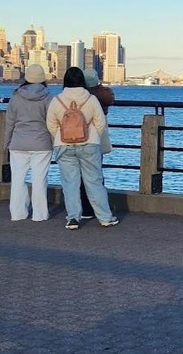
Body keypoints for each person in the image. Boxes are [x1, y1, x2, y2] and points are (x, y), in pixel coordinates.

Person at [46, 66, 119, 230]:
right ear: (82, 81)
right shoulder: (91, 99)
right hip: (89, 145)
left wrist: (61, 135)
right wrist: (91, 136)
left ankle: (73, 218)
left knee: (70, 183)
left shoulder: (57, 100)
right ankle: (105, 218)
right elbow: (100, 123)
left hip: (63, 145)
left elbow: (51, 125)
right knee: (94, 182)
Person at [3, 64, 53, 221]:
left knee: (18, 179)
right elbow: (51, 123)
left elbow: (9, 123)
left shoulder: (16, 97)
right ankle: (40, 214)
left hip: (18, 143)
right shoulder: (48, 98)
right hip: (41, 143)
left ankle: (18, 213)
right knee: (39, 180)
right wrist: (54, 142)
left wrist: (6, 143)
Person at [79, 68, 115, 219]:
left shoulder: (81, 96)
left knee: (80, 176)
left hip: (79, 137)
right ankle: (100, 208)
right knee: (96, 175)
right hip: (97, 139)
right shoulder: (103, 95)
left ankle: (85, 208)